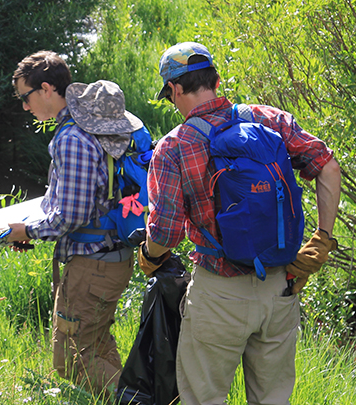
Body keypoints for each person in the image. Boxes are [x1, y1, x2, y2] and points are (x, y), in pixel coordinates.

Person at [139, 42, 341, 404]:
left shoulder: (173, 147)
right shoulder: (269, 119)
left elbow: (165, 232)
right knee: (273, 398)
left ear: (174, 89)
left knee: (204, 397)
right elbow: (326, 165)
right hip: (282, 285)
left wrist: (149, 257)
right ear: (216, 80)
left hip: (218, 292)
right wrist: (321, 240)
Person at [6, 50, 146, 397]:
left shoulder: (72, 138)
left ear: (47, 89)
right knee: (95, 347)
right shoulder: (94, 125)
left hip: (92, 264)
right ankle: (133, 397)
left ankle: (141, 402)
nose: (25, 107)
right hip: (111, 256)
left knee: (70, 360)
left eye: (26, 97)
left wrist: (30, 230)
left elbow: (72, 214)